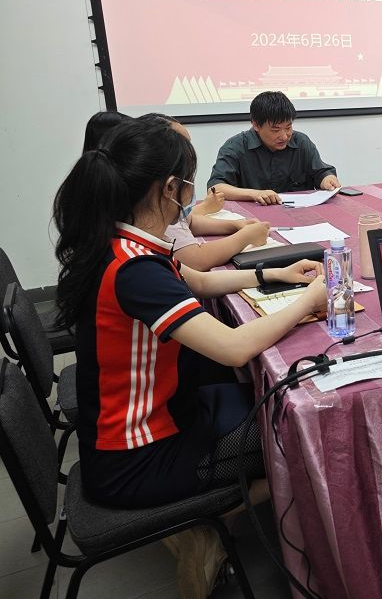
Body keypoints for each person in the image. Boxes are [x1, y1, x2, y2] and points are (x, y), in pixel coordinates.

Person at [53, 119, 326, 597]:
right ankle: (207, 523)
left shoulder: (123, 243)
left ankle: (214, 518)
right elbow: (235, 346)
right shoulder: (135, 270)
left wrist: (275, 275)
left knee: (273, 407)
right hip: (137, 460)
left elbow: (198, 281)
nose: (191, 195)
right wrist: (311, 299)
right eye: (188, 184)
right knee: (310, 440)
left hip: (154, 421)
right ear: (168, 189)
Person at [83, 111, 272, 271]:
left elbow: (188, 221)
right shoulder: (155, 210)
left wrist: (235, 225)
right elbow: (197, 262)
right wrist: (245, 237)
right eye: (180, 143)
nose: (187, 150)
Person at [208, 91, 340, 204]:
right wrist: (255, 194)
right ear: (256, 125)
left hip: (298, 213)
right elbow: (216, 188)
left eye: (288, 127)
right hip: (252, 218)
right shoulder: (235, 147)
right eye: (275, 130)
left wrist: (327, 179)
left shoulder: (301, 142)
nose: (284, 136)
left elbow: (321, 172)